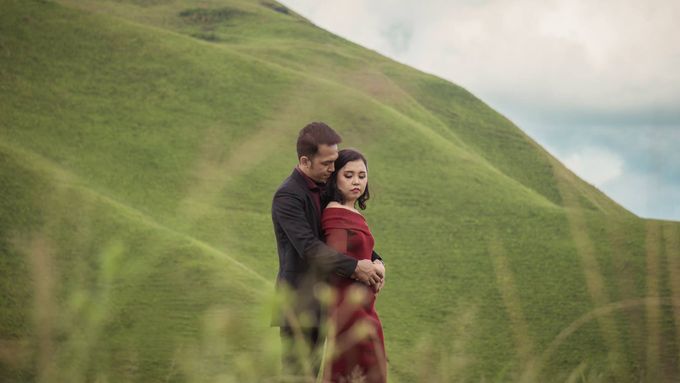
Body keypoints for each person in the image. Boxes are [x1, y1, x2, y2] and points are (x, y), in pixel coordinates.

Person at [271, 122, 385, 378]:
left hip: (328, 302)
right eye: (326, 163)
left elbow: (348, 233)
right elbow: (309, 248)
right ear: (304, 160)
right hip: (299, 305)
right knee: (298, 376)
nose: (333, 169)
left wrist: (377, 260)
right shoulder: (287, 196)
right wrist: (357, 268)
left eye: (335, 161)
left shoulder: (325, 189)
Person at [321, 148, 387, 383]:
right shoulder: (335, 214)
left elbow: (361, 251)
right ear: (335, 177)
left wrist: (379, 263)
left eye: (362, 175)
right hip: (350, 310)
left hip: (366, 307)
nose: (356, 181)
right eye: (348, 175)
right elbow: (336, 262)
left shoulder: (353, 213)